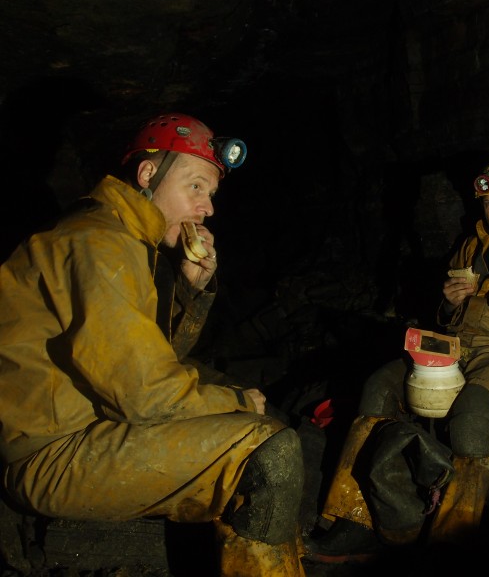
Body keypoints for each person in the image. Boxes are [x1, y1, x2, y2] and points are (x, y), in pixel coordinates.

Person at [0, 112, 306, 576]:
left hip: (82, 424)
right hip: (52, 454)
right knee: (271, 450)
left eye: (211, 193)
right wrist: (239, 401)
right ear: (148, 174)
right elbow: (147, 394)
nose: (208, 208)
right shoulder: (99, 244)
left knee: (244, 408)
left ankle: (260, 543)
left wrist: (189, 288)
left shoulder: (118, 236)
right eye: (197, 187)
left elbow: (155, 359)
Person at [304, 159, 489, 561]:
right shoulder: (469, 244)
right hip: (452, 343)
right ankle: (354, 520)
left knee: (472, 413)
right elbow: (444, 317)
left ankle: (452, 543)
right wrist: (447, 305)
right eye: (488, 203)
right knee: (379, 386)